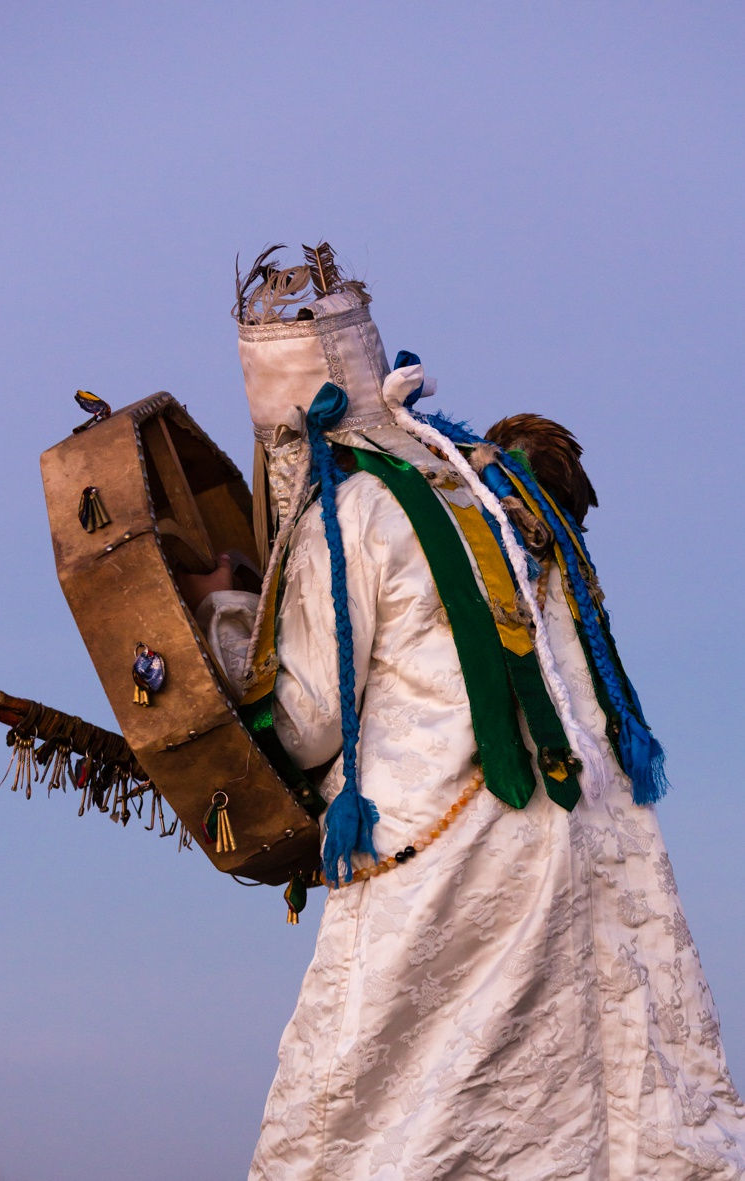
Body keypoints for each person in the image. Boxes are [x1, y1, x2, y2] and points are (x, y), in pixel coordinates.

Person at [183, 245, 744, 1180]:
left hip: (446, 856)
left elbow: (309, 721)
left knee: (404, 1120)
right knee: (602, 1102)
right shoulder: (494, 477)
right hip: (584, 830)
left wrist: (226, 613)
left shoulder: (348, 512)